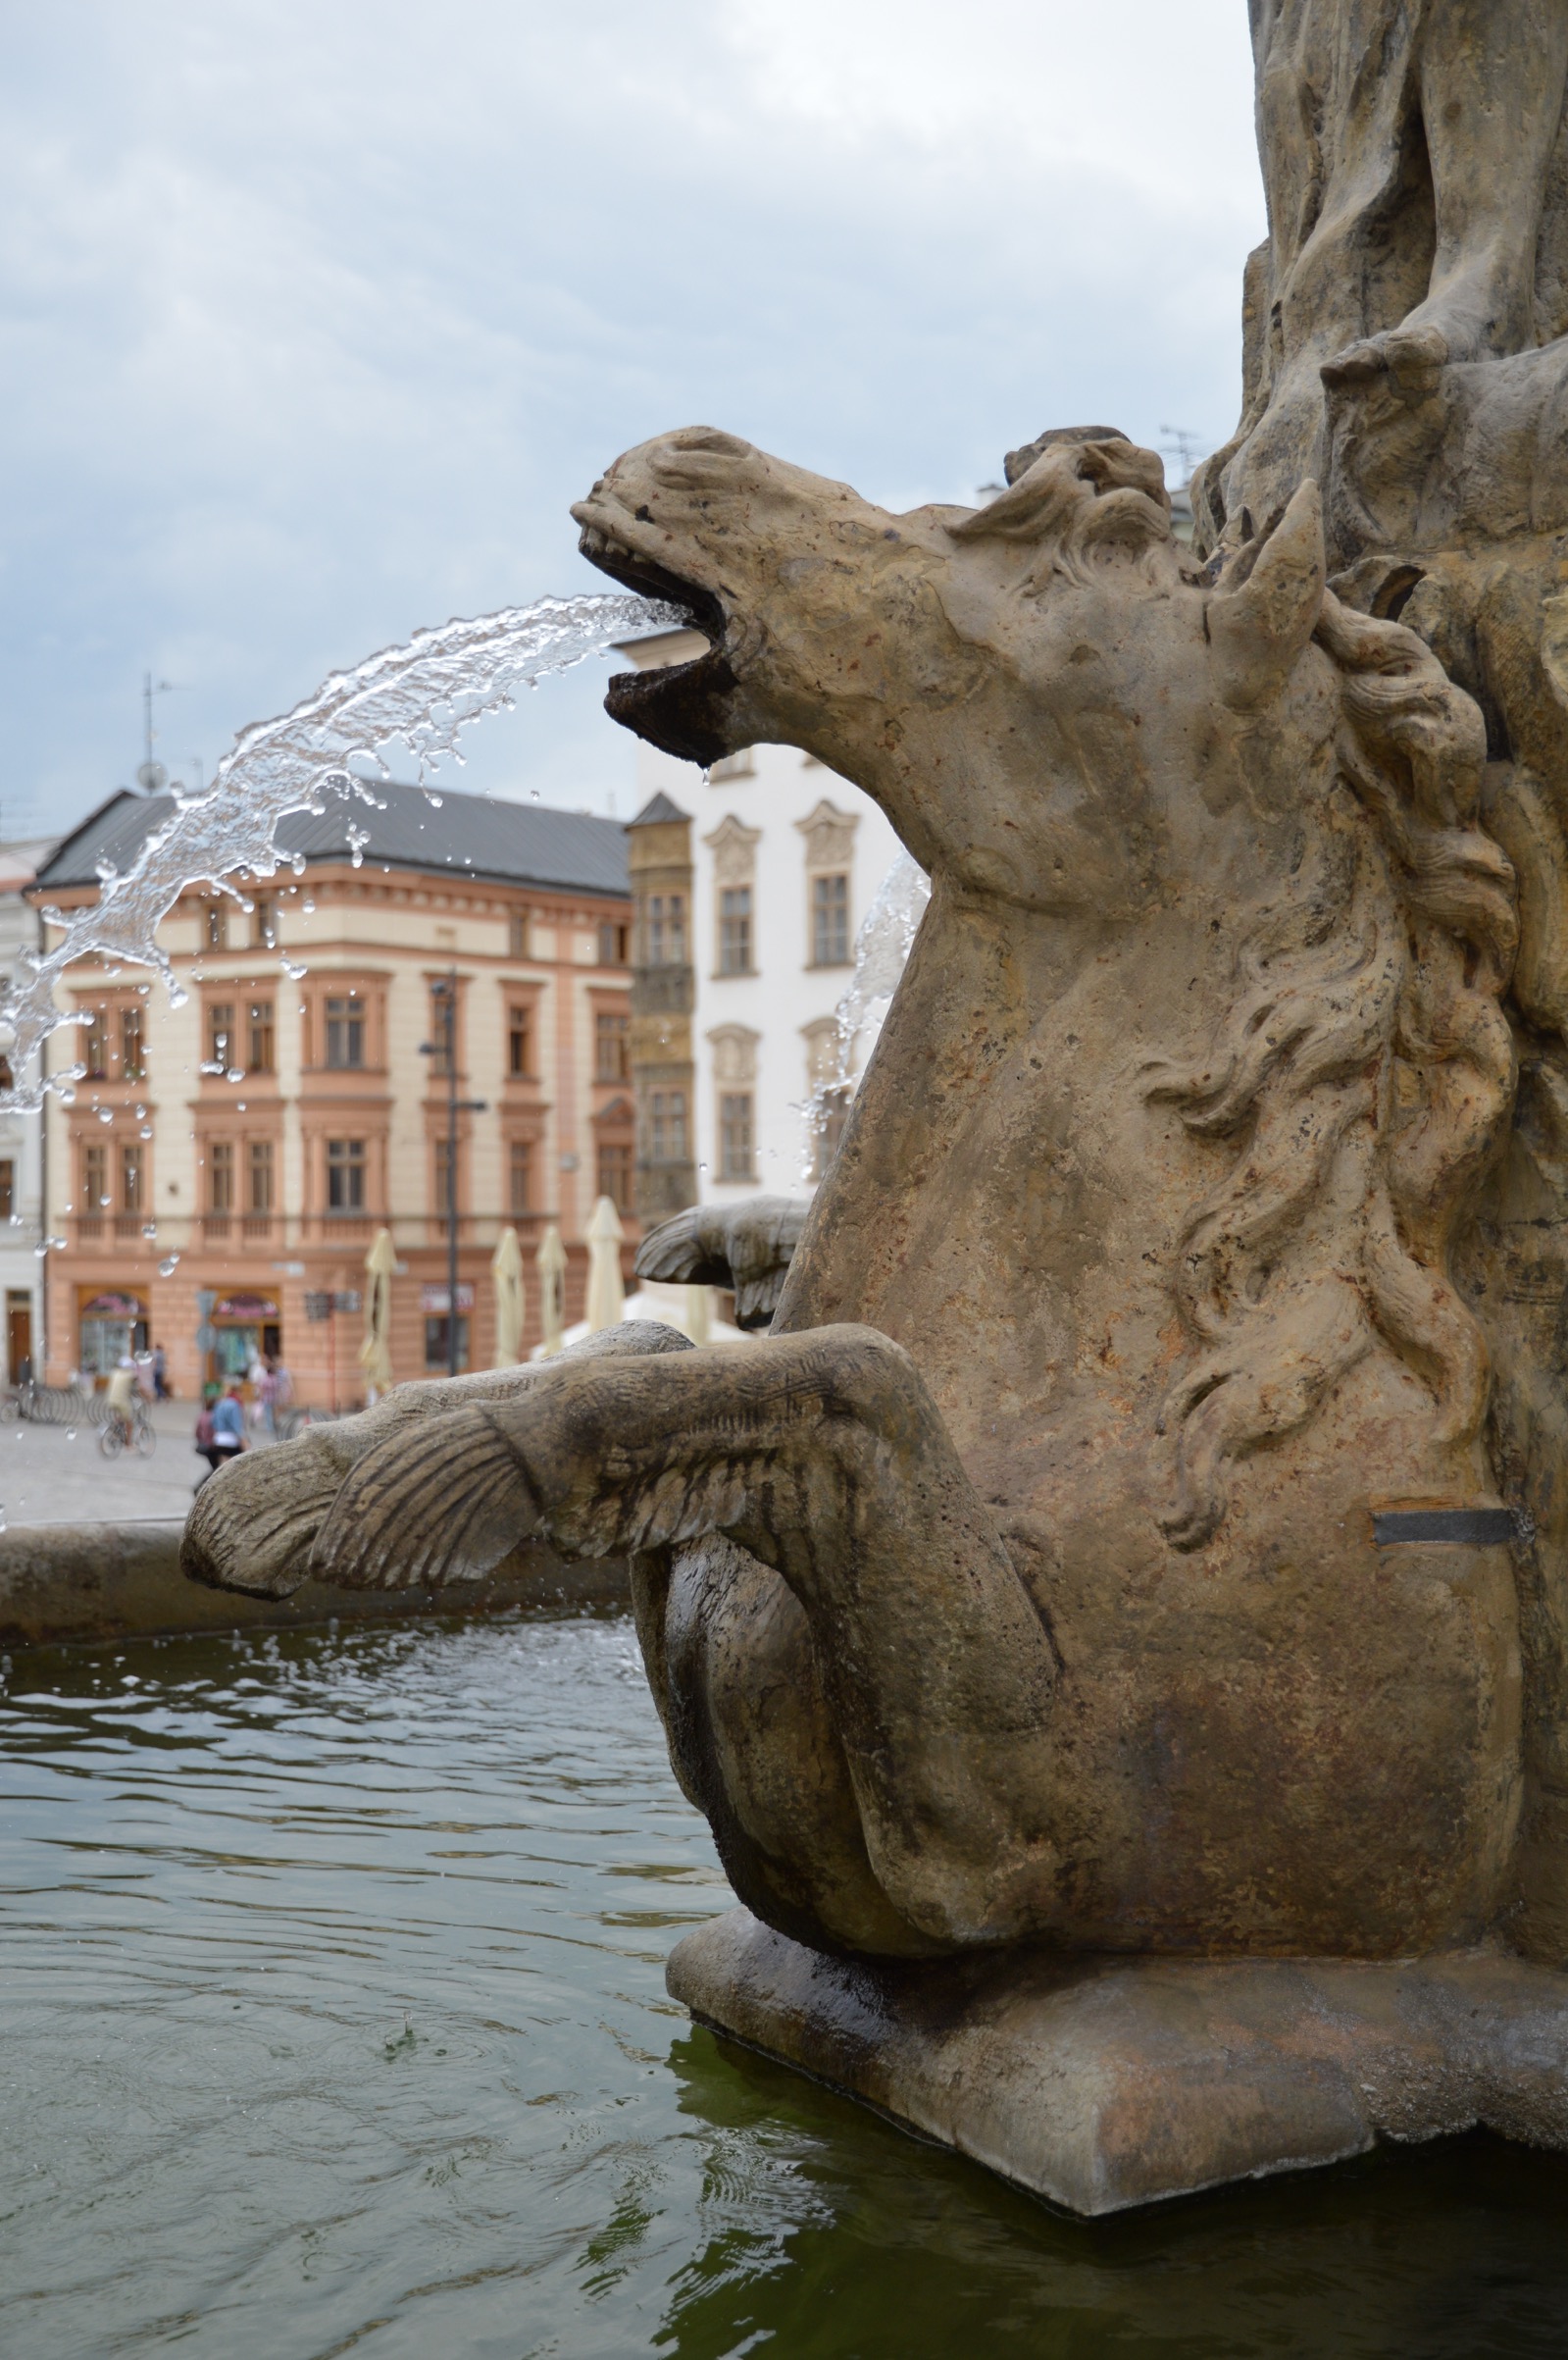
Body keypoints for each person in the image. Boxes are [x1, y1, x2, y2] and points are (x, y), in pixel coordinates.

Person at [211, 1381, 247, 1469]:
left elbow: (213, 1421)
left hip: (218, 1439)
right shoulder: (235, 1405)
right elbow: (236, 1425)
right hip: (231, 1441)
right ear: (237, 1392)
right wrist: (243, 1440)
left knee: (221, 1467)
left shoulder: (219, 1403)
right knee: (231, 1467)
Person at [105, 1354, 137, 1451]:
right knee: (129, 1422)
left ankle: (115, 1432)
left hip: (111, 1399)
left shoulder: (115, 1372)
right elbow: (138, 1384)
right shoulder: (130, 1374)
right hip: (121, 1401)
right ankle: (128, 1444)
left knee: (120, 1417)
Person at [193, 1384, 222, 1489]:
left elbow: (197, 1432)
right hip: (212, 1446)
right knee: (217, 1469)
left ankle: (204, 1487)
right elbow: (215, 1433)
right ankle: (199, 1487)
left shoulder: (202, 1415)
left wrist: (201, 1440)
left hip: (205, 1445)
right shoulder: (214, 1416)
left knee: (216, 1468)